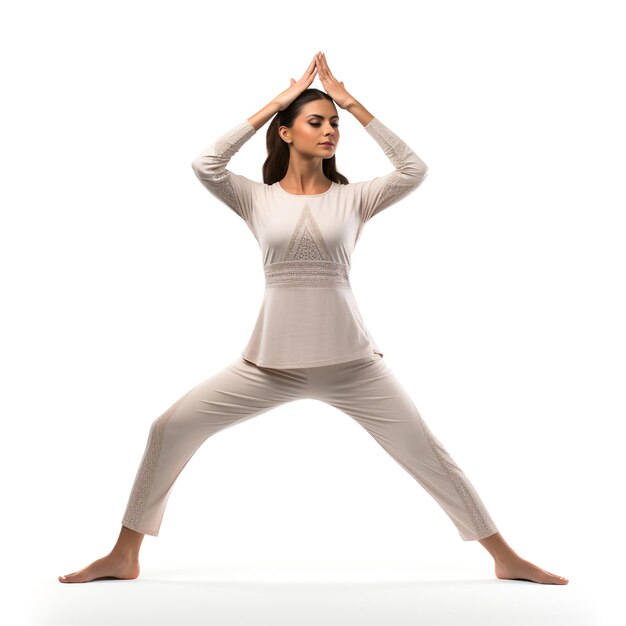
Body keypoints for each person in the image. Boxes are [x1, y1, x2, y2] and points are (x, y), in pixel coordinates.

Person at [59, 51, 568, 585]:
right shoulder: (255, 199)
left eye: (335, 124)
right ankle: (124, 555)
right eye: (316, 121)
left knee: (429, 454)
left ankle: (505, 557)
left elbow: (414, 168)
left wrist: (352, 102)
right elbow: (205, 165)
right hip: (267, 364)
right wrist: (276, 102)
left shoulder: (356, 199)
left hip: (352, 364)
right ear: (286, 133)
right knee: (169, 428)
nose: (329, 131)